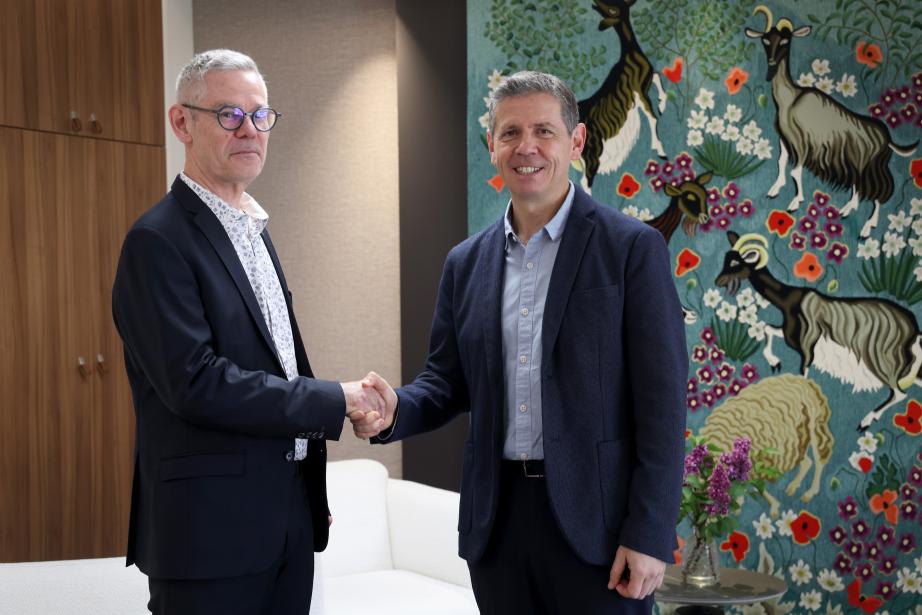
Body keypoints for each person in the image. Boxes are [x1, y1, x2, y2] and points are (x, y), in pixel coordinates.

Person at [352, 71, 687, 614]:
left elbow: (663, 407)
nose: (525, 147)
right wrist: (394, 409)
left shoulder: (632, 251)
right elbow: (445, 383)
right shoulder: (465, 263)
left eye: (543, 132)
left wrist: (649, 532)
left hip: (598, 529)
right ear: (492, 146)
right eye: (509, 133)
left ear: (576, 142)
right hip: (497, 524)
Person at [112, 49, 385, 615]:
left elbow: (277, 364)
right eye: (228, 114)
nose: (250, 130)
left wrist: (306, 487)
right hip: (209, 535)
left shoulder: (254, 231)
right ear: (182, 122)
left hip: (286, 518)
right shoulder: (157, 241)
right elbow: (196, 382)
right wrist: (335, 398)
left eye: (260, 115)